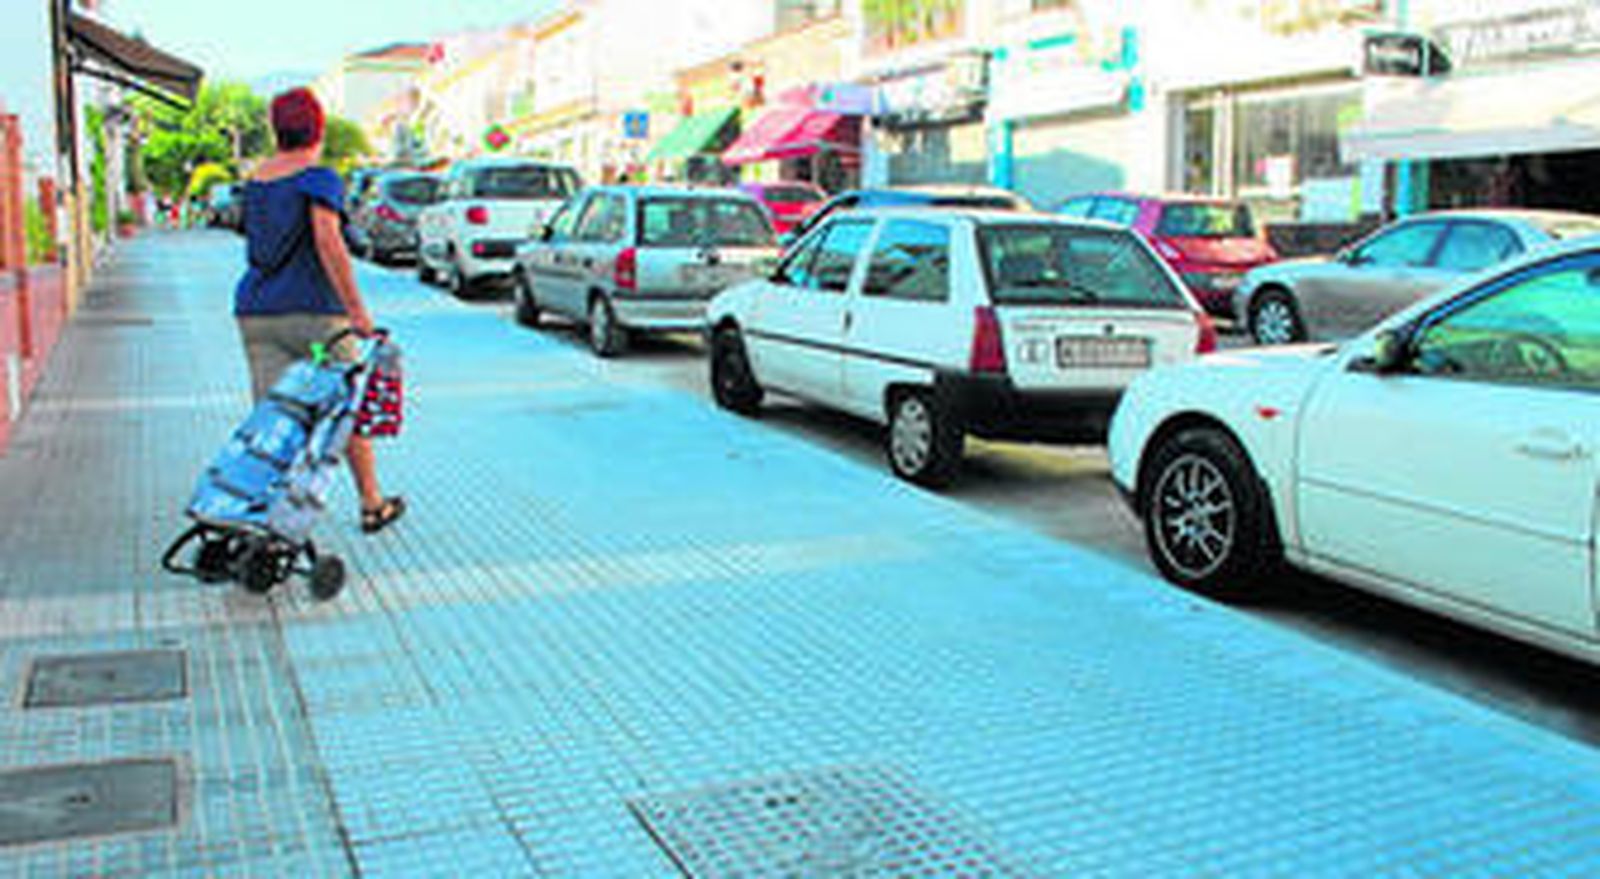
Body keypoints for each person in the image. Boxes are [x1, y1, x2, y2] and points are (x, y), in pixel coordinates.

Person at [235, 87, 405, 534]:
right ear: (319, 128)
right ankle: (371, 502)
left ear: (277, 130)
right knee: (342, 409)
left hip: (257, 314)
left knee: (275, 420)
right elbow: (329, 242)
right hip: (317, 319)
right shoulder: (320, 178)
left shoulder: (255, 182)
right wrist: (358, 313)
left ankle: (268, 515)